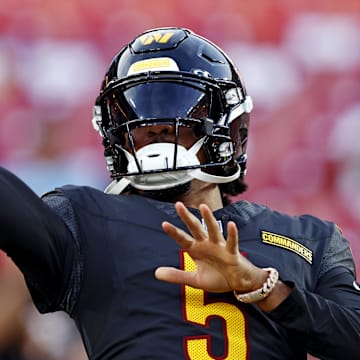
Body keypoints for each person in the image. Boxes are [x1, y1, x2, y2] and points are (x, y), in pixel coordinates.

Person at [0, 27, 359, 360]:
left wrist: (263, 288)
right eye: (141, 122)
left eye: (175, 117)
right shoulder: (84, 221)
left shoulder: (312, 239)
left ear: (229, 128)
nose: (156, 129)